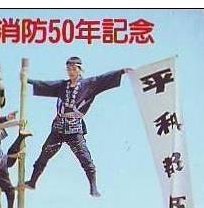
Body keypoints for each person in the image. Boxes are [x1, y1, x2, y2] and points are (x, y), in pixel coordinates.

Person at [25, 57, 131, 196]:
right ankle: (32, 182)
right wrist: (27, 80)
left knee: (85, 158)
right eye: (68, 69)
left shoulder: (90, 84)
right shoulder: (63, 85)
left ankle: (93, 187)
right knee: (44, 154)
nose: (71, 71)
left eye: (74, 69)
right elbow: (46, 85)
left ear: (80, 70)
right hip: (59, 127)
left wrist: (122, 71)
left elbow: (103, 79)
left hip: (74, 128)